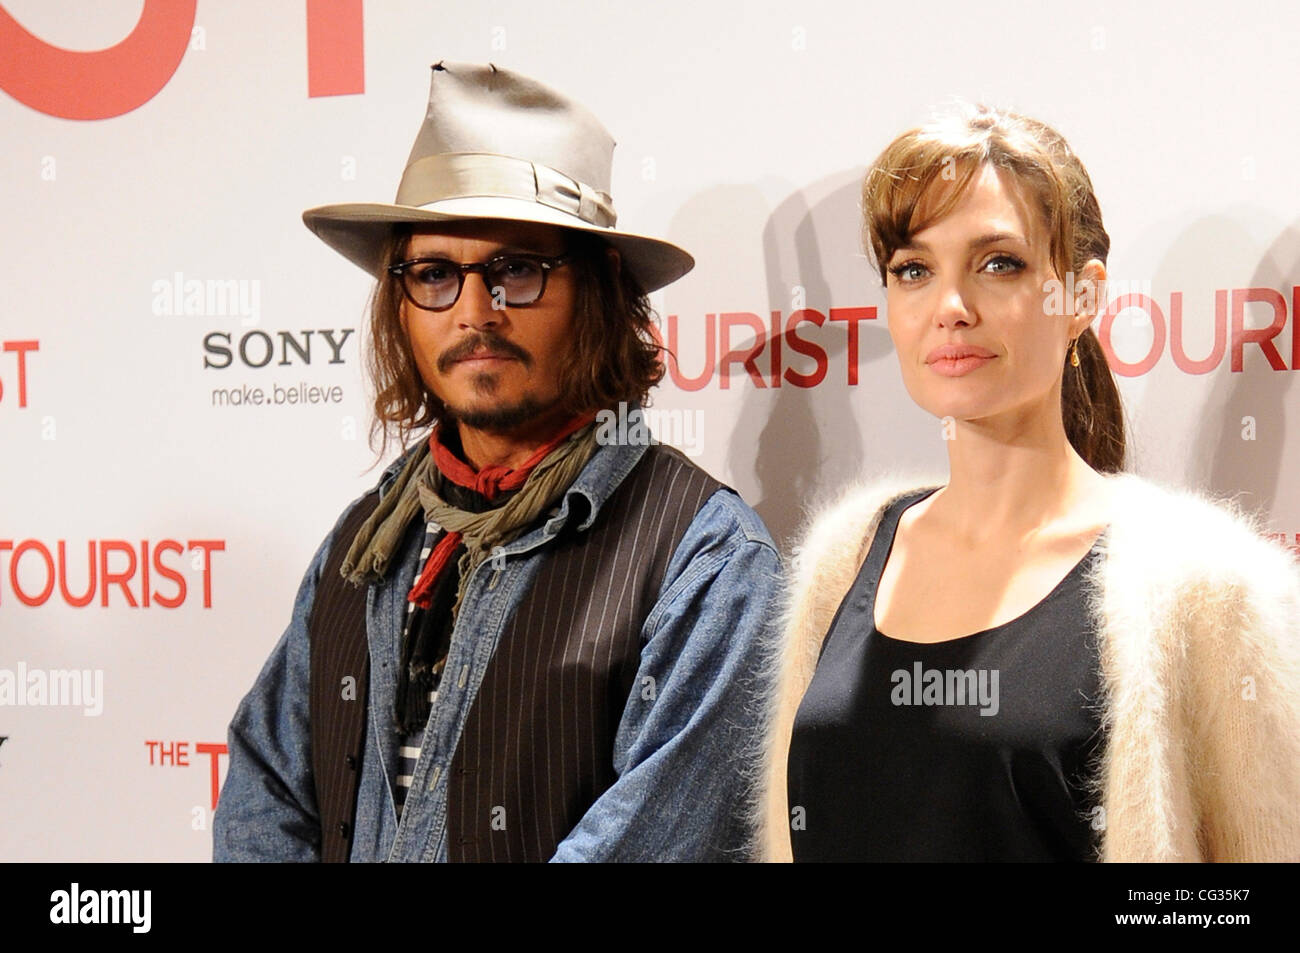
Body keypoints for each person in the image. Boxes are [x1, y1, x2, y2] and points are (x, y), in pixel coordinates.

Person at [213, 61, 780, 862]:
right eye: (436, 275)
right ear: (400, 303)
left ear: (599, 287)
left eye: (517, 269)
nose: (476, 312)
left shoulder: (705, 557)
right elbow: (263, 795)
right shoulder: (368, 540)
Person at [757, 105, 1300, 862]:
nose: (950, 308)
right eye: (914, 270)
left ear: (1081, 295)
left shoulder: (1206, 587)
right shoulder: (842, 561)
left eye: (998, 263)